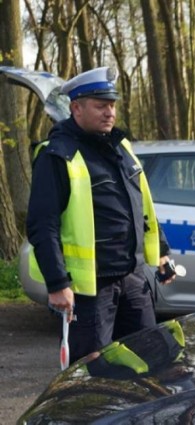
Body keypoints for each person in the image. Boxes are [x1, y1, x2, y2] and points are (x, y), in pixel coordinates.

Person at [26, 66, 176, 364]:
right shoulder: (58, 154)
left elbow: (142, 205)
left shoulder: (122, 148)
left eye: (112, 105)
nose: (110, 113)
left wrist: (161, 252)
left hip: (132, 279)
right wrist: (57, 284)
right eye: (101, 106)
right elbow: (43, 225)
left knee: (149, 360)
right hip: (89, 290)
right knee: (91, 370)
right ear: (76, 108)